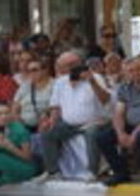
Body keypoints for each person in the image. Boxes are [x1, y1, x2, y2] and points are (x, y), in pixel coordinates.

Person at [38, 49, 112, 180]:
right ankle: (53, 171)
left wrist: (92, 82)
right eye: (64, 65)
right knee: (47, 134)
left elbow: (106, 100)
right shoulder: (60, 82)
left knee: (92, 133)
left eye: (72, 64)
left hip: (94, 121)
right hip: (69, 124)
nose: (69, 68)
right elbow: (56, 106)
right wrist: (51, 122)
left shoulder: (96, 77)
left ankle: (92, 172)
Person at [94, 55, 140, 185]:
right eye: (131, 71)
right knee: (103, 137)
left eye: (138, 69)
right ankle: (121, 173)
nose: (135, 73)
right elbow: (119, 113)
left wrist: (134, 134)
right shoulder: (124, 87)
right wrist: (121, 133)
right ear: (125, 74)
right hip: (130, 124)